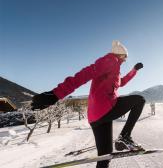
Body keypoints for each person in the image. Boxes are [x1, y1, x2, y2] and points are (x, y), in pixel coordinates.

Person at [31, 40, 145, 168]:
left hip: (96, 117)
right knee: (139, 100)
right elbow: (85, 74)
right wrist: (56, 94)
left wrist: (134, 71)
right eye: (125, 57)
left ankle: (122, 139)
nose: (125, 60)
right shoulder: (110, 61)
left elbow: (121, 82)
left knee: (105, 156)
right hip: (105, 108)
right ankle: (124, 137)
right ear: (120, 54)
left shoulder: (115, 68)